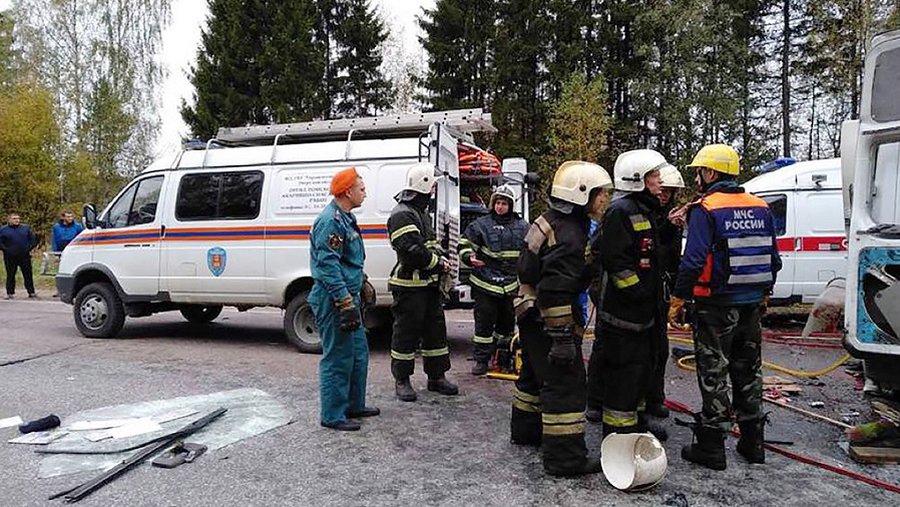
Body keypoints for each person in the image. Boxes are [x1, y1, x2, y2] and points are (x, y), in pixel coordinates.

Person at [668, 144, 781, 470]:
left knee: (714, 372)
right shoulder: (760, 206)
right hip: (751, 305)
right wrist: (763, 291)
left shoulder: (707, 209)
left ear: (711, 173)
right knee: (749, 371)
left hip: (716, 306)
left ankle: (712, 448)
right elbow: (773, 257)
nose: (697, 179)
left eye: (699, 172)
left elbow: (693, 259)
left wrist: (679, 297)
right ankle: (753, 443)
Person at [510, 160, 612, 477]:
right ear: (581, 194)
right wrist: (564, 339)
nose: (604, 201)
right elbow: (556, 291)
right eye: (600, 194)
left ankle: (526, 431)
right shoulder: (570, 234)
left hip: (528, 312)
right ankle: (565, 458)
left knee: (533, 375)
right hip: (548, 320)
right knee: (565, 385)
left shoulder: (551, 219)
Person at [588, 149, 669, 439]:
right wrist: (638, 293)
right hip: (624, 313)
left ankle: (637, 421)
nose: (660, 181)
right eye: (654, 176)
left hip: (643, 311)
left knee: (642, 368)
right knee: (623, 372)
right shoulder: (621, 211)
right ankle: (619, 433)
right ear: (638, 180)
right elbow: (617, 261)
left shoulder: (645, 209)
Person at [309, 167, 378, 431]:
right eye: (361, 189)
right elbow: (327, 265)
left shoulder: (345, 218)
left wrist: (361, 283)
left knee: (358, 353)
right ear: (348, 192)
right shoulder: (331, 221)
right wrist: (344, 300)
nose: (365, 193)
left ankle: (353, 405)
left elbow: (348, 261)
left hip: (348, 296)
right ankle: (333, 414)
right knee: (338, 356)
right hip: (334, 300)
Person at [387, 162, 458, 402]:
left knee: (435, 332)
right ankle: (402, 379)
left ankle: (436, 377)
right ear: (423, 185)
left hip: (428, 286)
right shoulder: (402, 213)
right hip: (409, 287)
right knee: (406, 333)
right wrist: (437, 263)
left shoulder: (421, 212)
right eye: (433, 185)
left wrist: (441, 258)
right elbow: (411, 250)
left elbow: (426, 245)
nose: (435, 189)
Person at [459, 185, 529, 376]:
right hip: (485, 281)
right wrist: (468, 257)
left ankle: (502, 358)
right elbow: (464, 243)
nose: (500, 207)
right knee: (483, 325)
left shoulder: (523, 227)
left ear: (511, 205)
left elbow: (531, 251)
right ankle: (481, 360)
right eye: (497, 203)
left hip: (510, 284)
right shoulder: (481, 224)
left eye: (504, 203)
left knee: (506, 325)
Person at [645, 164, 687, 419]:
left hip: (660, 291)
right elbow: (650, 252)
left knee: (660, 350)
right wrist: (669, 226)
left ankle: (655, 398)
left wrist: (679, 292)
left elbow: (672, 258)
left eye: (669, 192)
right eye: (662, 190)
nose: (664, 195)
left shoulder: (671, 218)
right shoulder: (641, 214)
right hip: (640, 291)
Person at [0, 213, 37, 300]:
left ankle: (31, 292)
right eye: (14, 218)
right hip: (10, 256)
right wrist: (6, 250)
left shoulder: (25, 228)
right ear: (9, 220)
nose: (17, 220)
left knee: (28, 274)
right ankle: (10, 293)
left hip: (24, 255)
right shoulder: (3, 230)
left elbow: (33, 239)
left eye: (18, 218)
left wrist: (28, 248)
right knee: (11, 274)